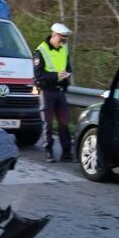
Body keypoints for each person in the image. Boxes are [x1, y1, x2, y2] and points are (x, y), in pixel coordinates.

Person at [33, 22, 73, 161]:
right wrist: (56, 76)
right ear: (54, 35)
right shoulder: (41, 50)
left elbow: (68, 67)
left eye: (65, 40)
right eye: (61, 39)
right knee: (48, 123)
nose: (62, 42)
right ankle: (48, 151)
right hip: (47, 91)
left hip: (60, 91)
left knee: (64, 122)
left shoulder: (64, 48)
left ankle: (67, 153)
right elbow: (38, 75)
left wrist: (67, 74)